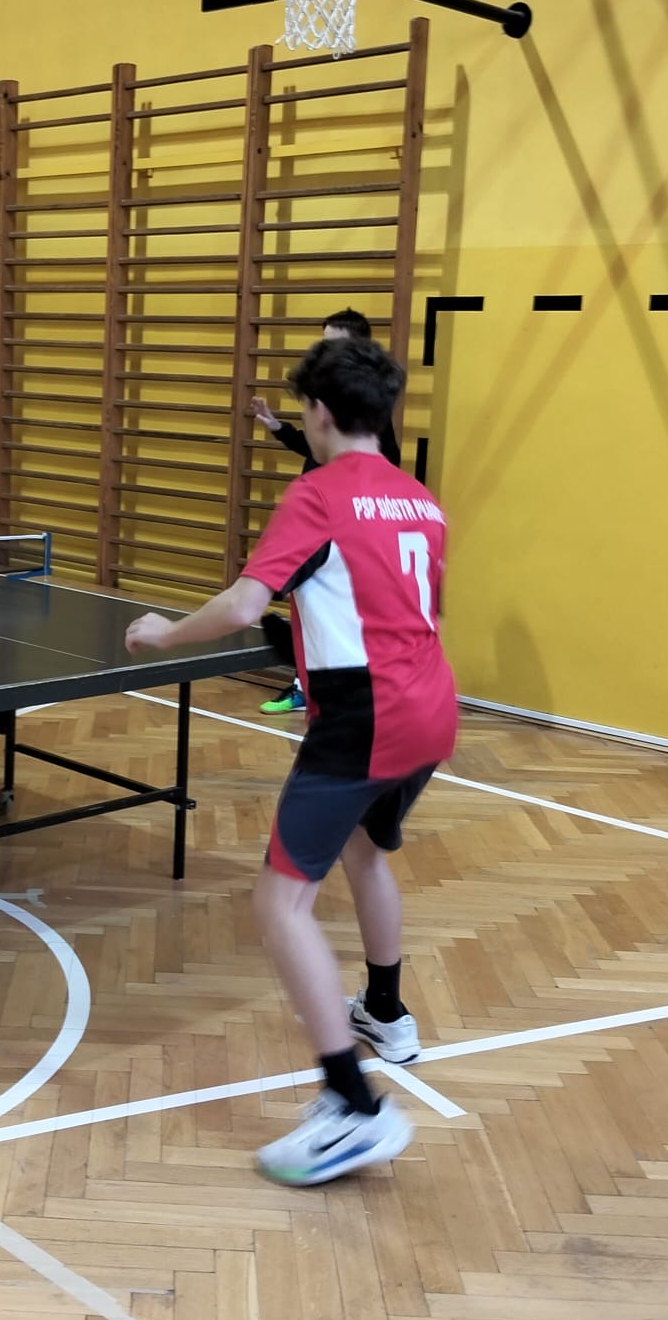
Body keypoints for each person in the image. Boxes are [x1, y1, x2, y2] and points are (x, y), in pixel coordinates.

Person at [126, 335, 456, 1186]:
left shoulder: (317, 494)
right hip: (431, 709)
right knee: (365, 851)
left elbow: (244, 606)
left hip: (366, 719)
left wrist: (164, 632)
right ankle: (386, 1012)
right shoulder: (422, 502)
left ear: (316, 413)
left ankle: (352, 1107)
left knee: (280, 905)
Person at [246, 308, 402, 717]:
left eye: (334, 344)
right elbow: (317, 451)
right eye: (323, 343)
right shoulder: (330, 413)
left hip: (341, 528)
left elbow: (387, 464)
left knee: (325, 610)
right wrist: (279, 428)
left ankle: (316, 685)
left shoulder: (366, 417)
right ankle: (305, 682)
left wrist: (169, 633)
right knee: (305, 604)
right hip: (321, 519)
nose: (324, 353)